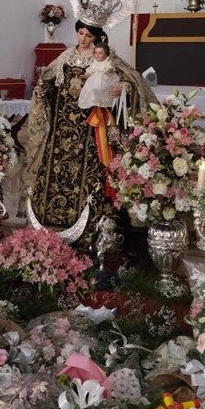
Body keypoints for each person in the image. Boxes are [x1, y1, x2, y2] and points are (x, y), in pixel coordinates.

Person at [22, 21, 154, 243]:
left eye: (89, 36)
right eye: (80, 33)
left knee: (94, 174)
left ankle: (95, 232)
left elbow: (134, 83)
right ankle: (48, 227)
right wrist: (43, 91)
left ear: (98, 38)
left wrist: (123, 89)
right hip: (61, 133)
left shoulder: (106, 58)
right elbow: (49, 85)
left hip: (92, 130)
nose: (83, 39)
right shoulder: (64, 57)